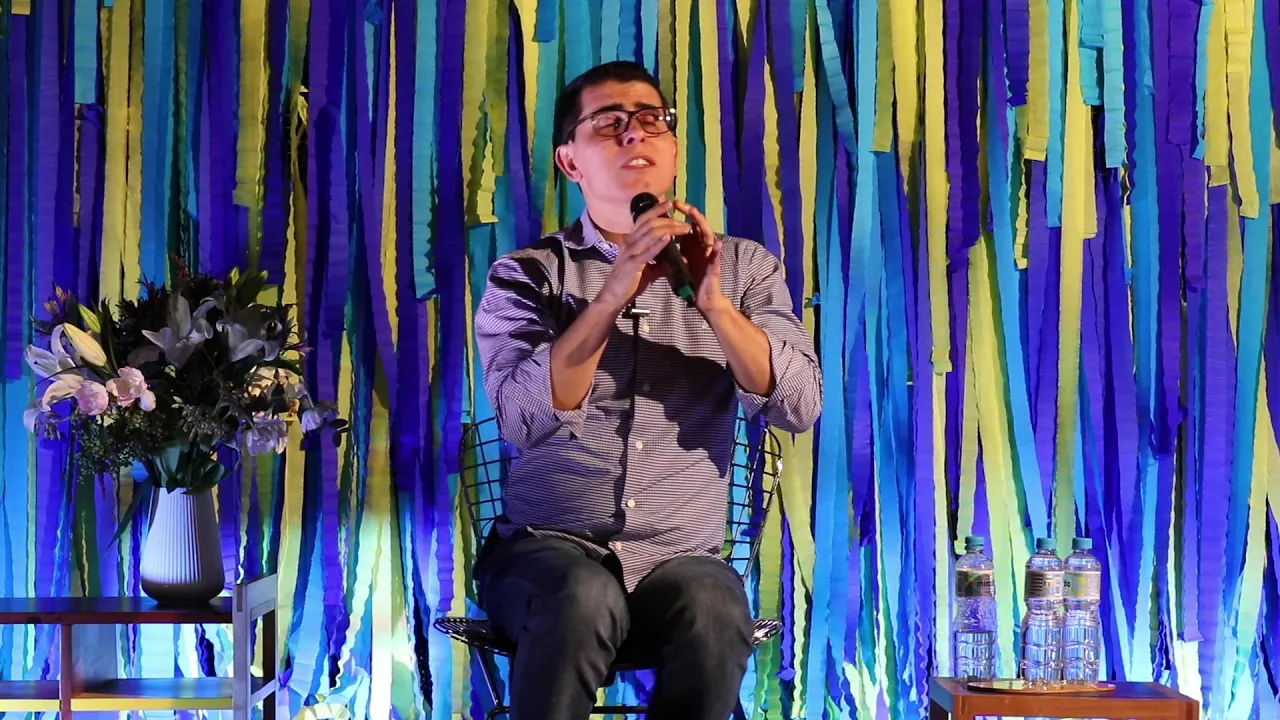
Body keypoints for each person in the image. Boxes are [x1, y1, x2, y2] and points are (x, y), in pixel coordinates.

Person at [472, 60, 823, 719]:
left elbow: (799, 405)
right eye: (609, 123)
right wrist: (613, 292)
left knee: (713, 606)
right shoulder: (527, 276)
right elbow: (522, 418)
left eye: (651, 120)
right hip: (544, 551)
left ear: (673, 148)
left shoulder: (745, 269)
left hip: (681, 556)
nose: (635, 134)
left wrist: (716, 306)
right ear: (570, 161)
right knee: (581, 597)